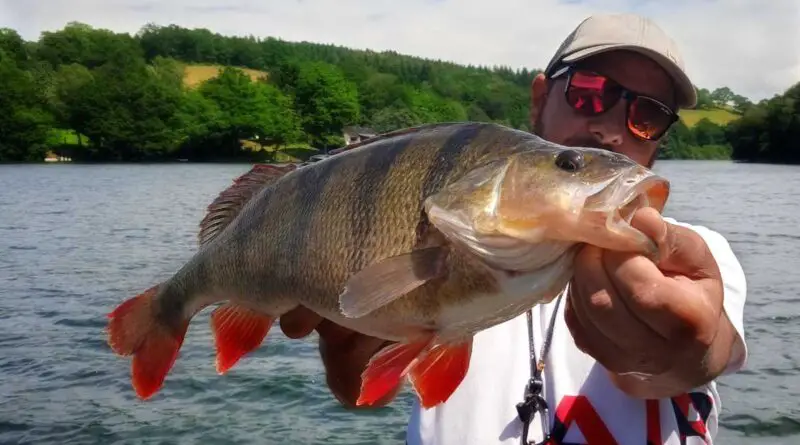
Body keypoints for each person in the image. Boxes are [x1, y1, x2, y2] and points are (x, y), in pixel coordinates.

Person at [279, 12, 748, 445]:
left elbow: (701, 354)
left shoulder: (698, 258)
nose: (611, 128)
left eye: (647, 115)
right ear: (541, 98)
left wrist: (687, 352)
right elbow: (357, 392)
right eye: (590, 92)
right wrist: (344, 348)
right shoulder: (461, 231)